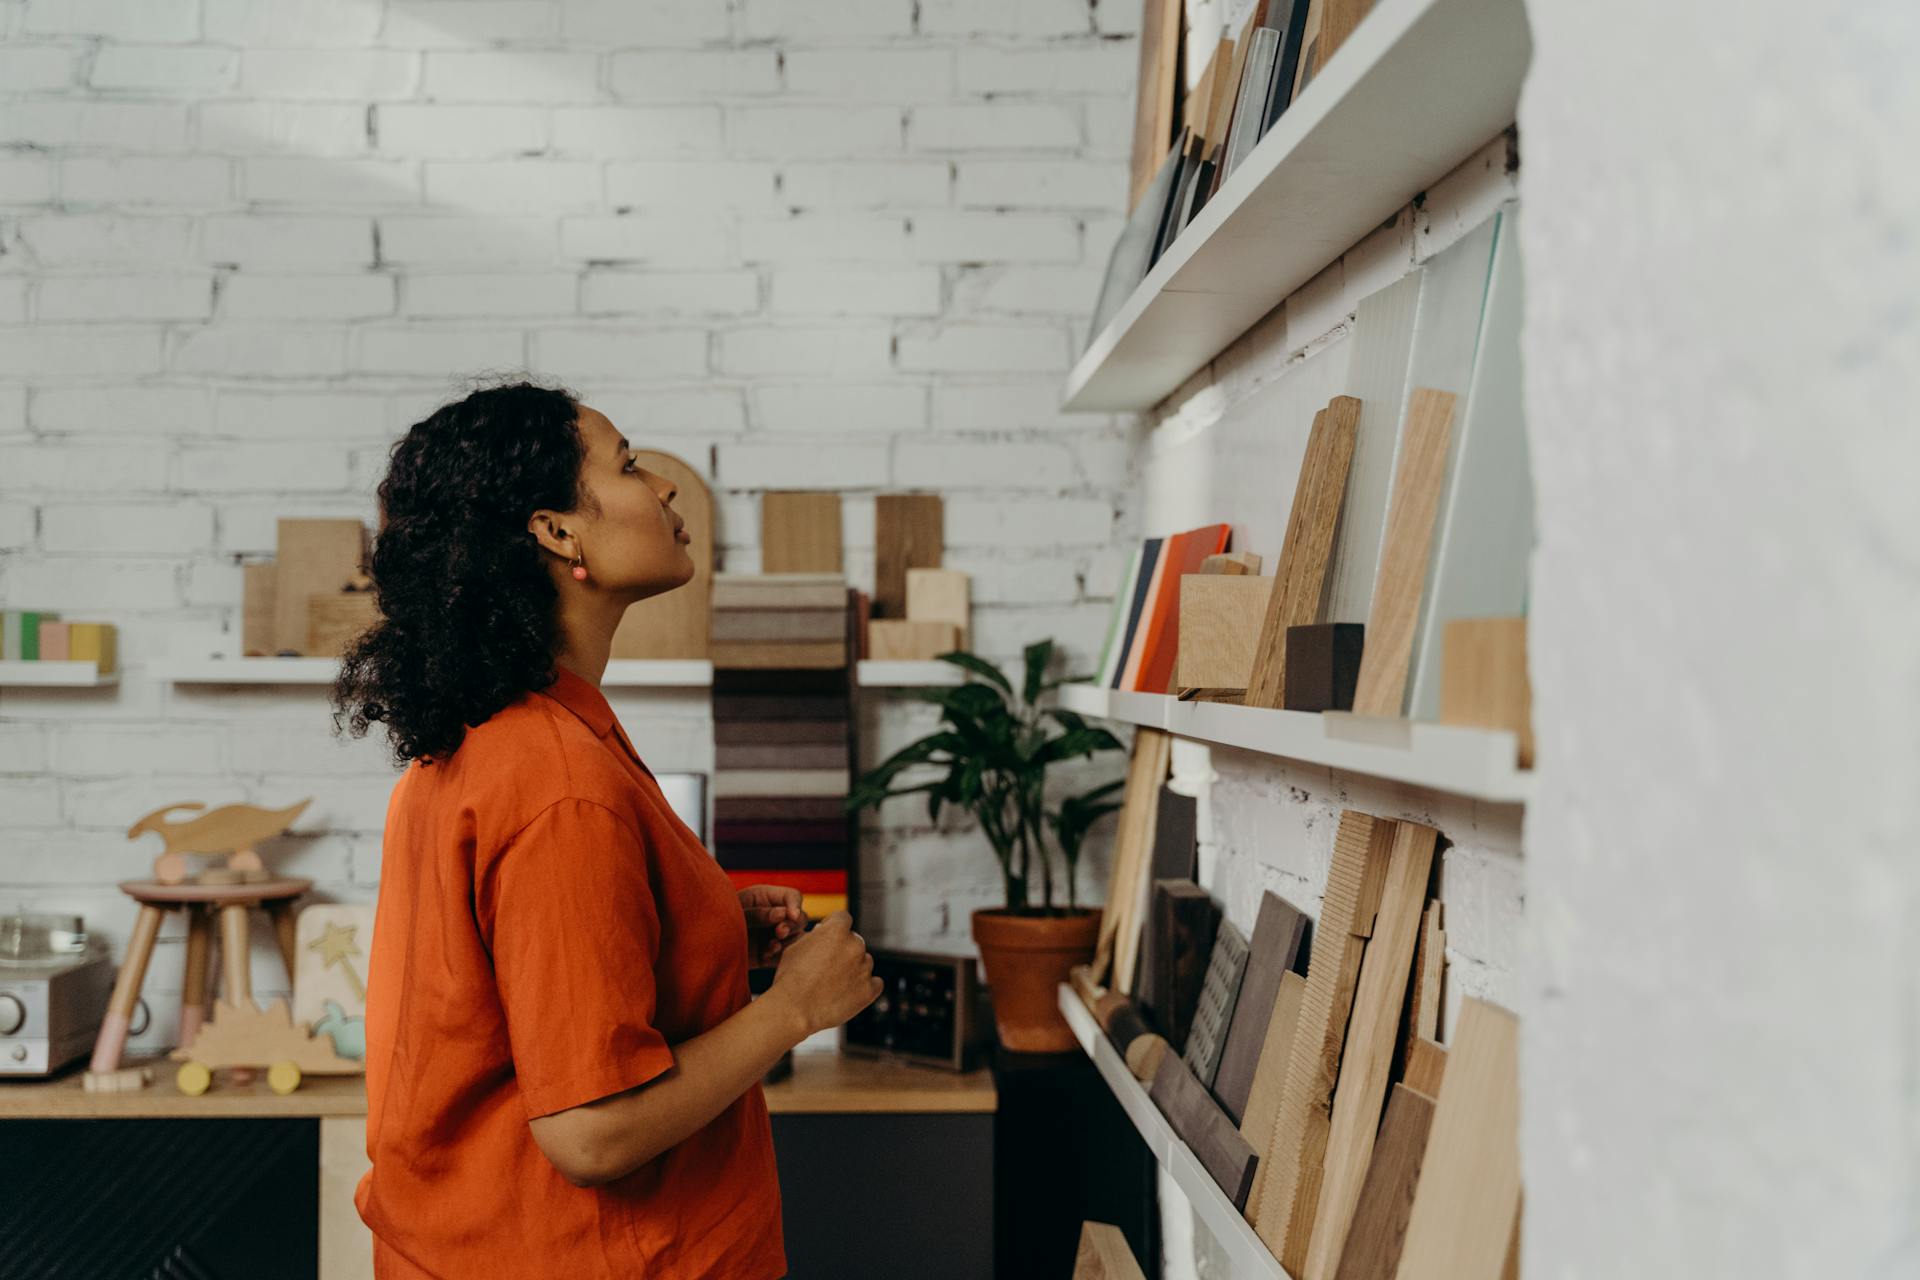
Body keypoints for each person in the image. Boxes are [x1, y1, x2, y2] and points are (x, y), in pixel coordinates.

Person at [331, 379, 880, 1278]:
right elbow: (590, 1134)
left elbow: (508, 993)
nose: (664, 485)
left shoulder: (493, 739)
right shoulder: (559, 781)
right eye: (627, 466)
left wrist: (703, 932)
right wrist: (794, 1009)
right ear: (557, 532)